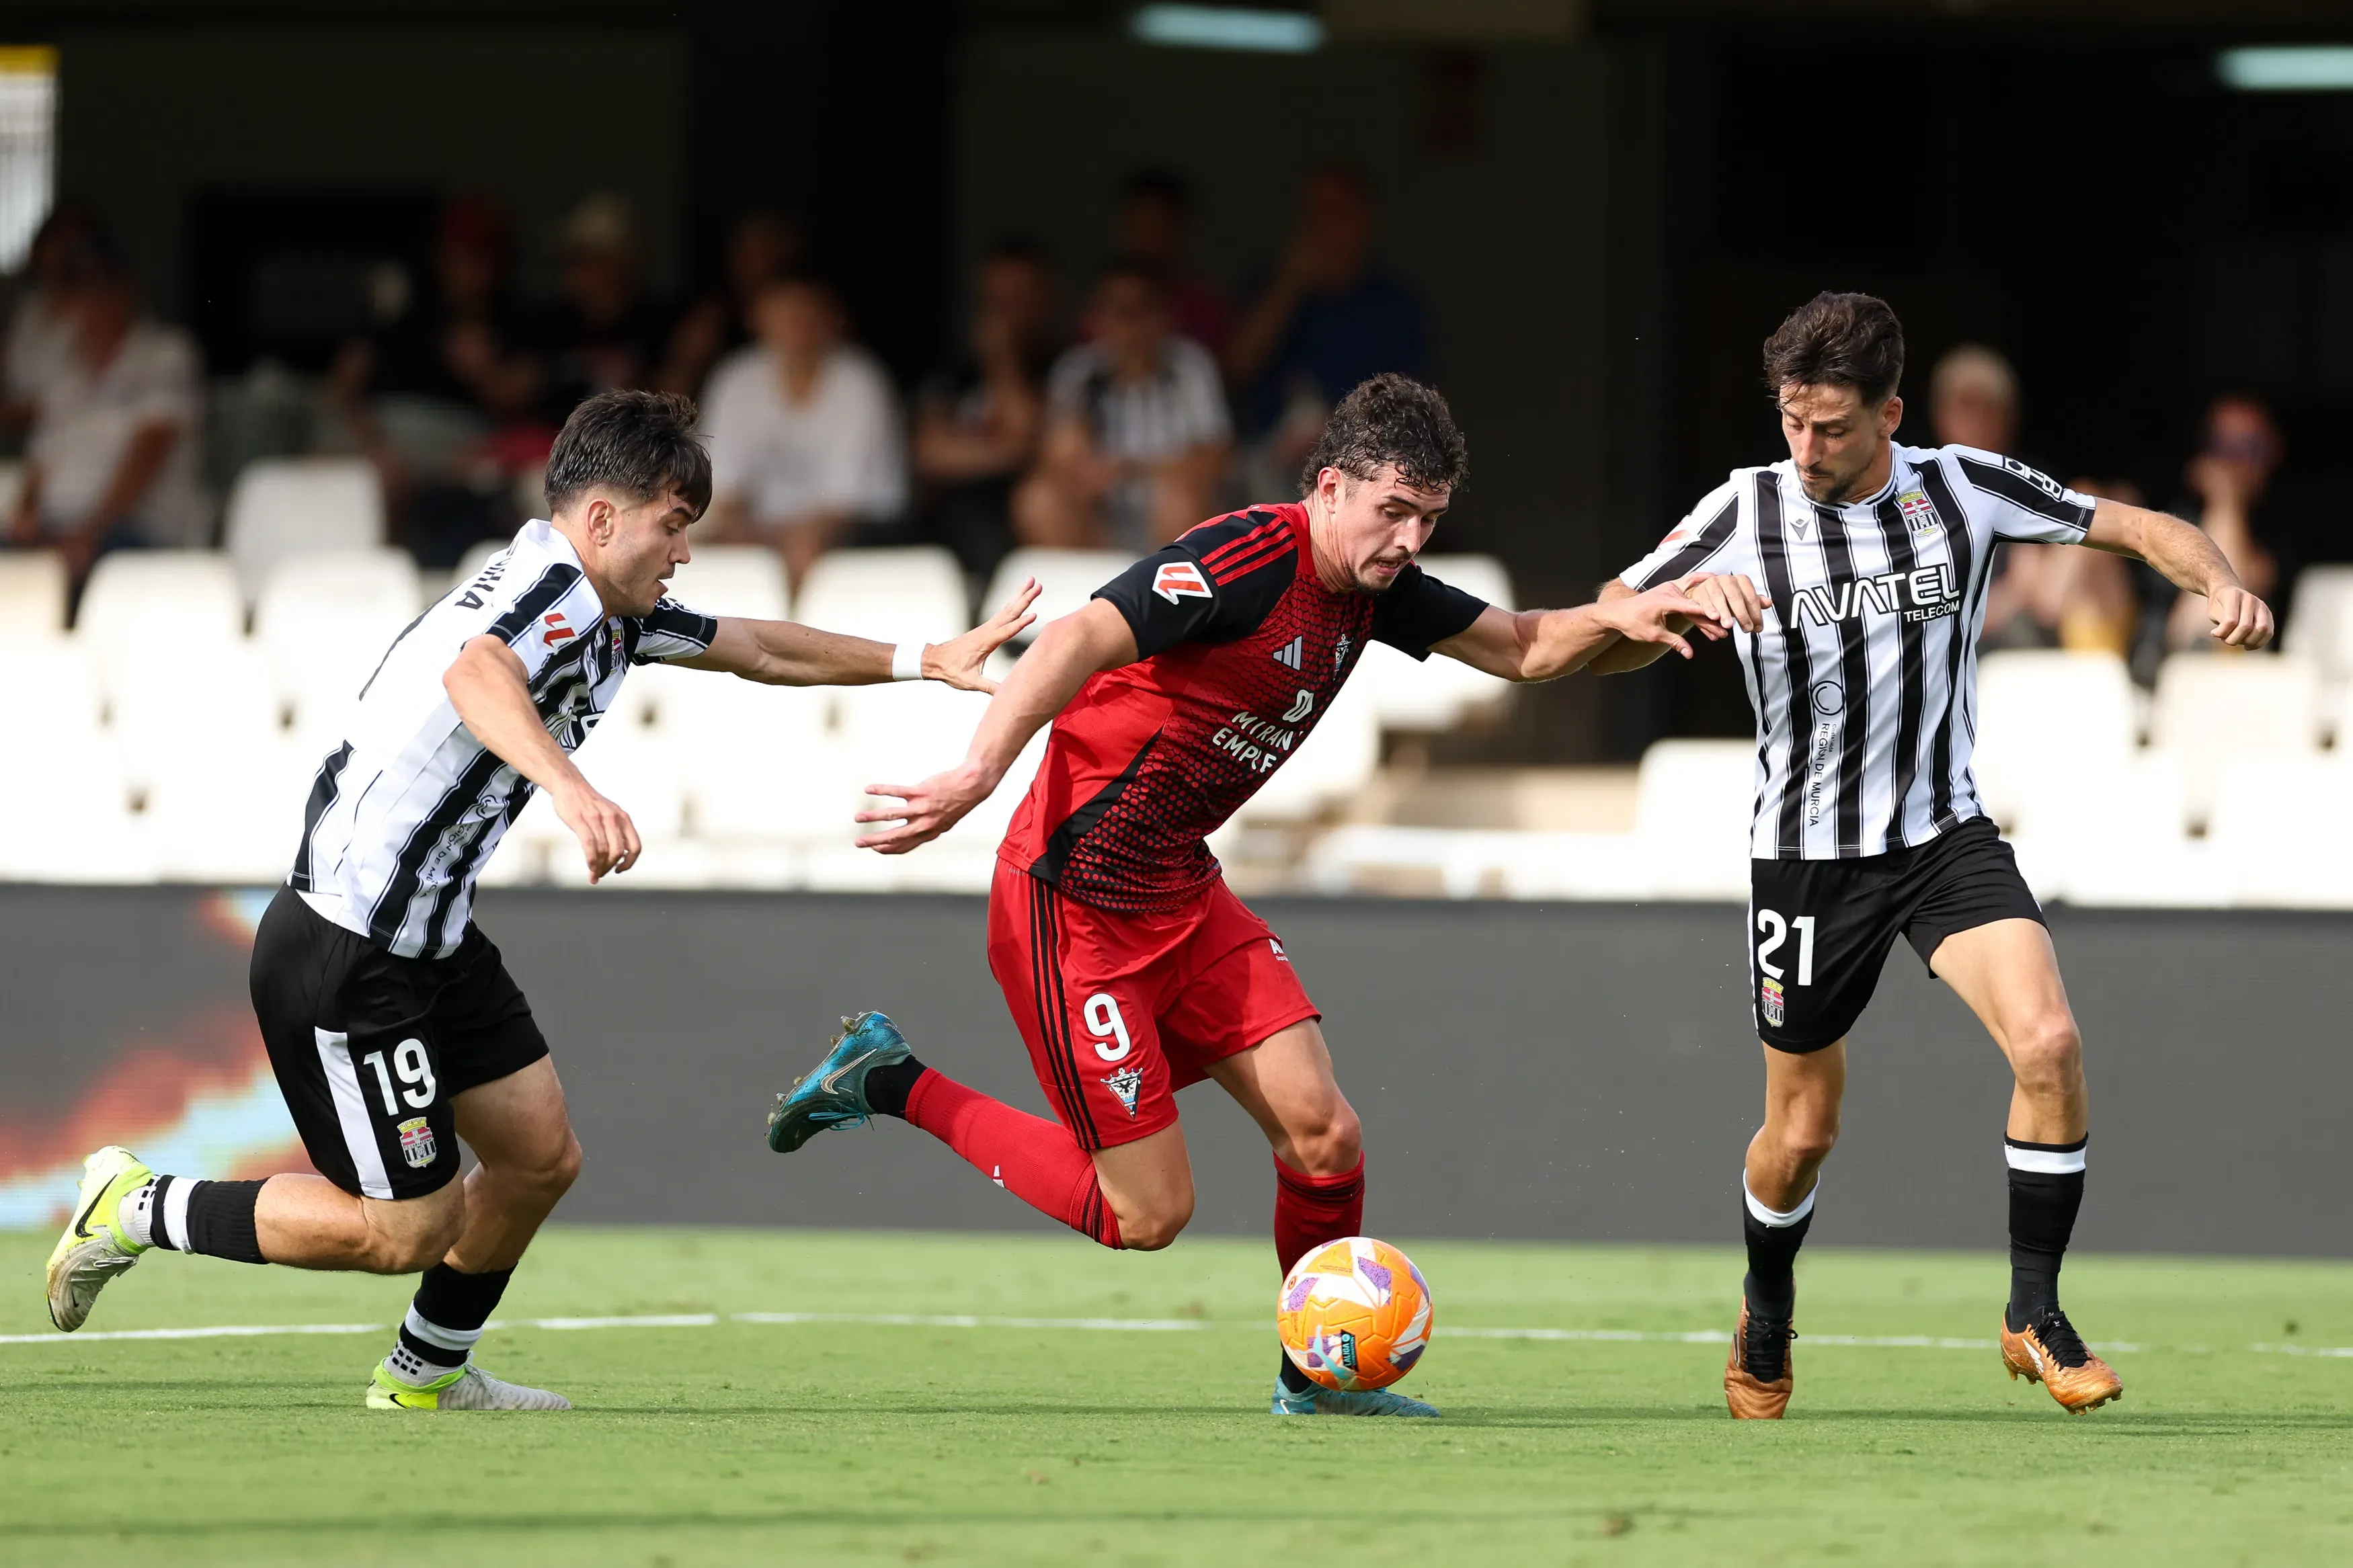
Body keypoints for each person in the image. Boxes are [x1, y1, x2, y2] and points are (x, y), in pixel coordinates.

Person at [44, 390, 1041, 1413]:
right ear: (603, 517)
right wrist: (570, 787)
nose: (684, 551)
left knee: (537, 1157)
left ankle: (427, 1375)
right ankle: (140, 1205)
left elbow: (756, 647)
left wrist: (921, 660)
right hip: (351, 946)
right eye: (674, 523)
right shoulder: (549, 590)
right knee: (403, 1229)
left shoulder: (614, 610)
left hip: (431, 937)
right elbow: (477, 672)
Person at [763, 374, 1717, 1418]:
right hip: (1071, 907)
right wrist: (982, 769)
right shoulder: (1248, 558)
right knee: (1148, 1214)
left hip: (1183, 893)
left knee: (1326, 1133)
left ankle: (1317, 1379)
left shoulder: (1378, 588)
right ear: (1329, 486)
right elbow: (1082, 636)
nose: (1406, 540)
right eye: (1391, 511)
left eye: (1428, 519)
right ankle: (890, 1078)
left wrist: (1631, 614)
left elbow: (1528, 647)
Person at [1594, 292, 2274, 1420]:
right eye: (1793, 424)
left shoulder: (1959, 483)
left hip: (1942, 836)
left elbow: (2143, 527)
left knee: (2050, 1041)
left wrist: (2220, 581)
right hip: (1807, 859)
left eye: (1835, 430)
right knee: (1802, 1132)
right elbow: (1614, 601)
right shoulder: (1747, 505)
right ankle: (1766, 1308)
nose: (1807, 451)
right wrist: (1672, 592)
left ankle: (2032, 1310)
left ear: (1891, 415)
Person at [329, 195, 549, 568]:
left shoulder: (516, 321)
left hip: (464, 443)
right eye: (460, 254)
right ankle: (364, 581)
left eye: (482, 255)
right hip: (381, 436)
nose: (470, 267)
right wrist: (373, 442)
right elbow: (342, 388)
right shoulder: (403, 308)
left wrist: (481, 371)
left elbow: (522, 402)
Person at [7, 235, 208, 578]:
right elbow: (41, 459)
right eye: (80, 290)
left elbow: (149, 452)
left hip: (137, 530)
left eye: (102, 289)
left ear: (126, 291)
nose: (92, 303)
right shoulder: (65, 368)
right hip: (59, 528)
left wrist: (91, 529)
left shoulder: (164, 354)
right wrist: (26, 513)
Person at [1225, 165, 1428, 485]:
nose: (1325, 227)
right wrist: (1289, 285)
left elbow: (1415, 404)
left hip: (1363, 455)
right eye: (1315, 215)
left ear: (1365, 219)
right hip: (1266, 453)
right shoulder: (1271, 285)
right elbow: (1238, 366)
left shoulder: (1392, 303)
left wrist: (1336, 428)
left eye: (1338, 214)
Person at [702, 273, 908, 585]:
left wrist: (772, 539)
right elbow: (726, 488)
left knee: (803, 548)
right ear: (758, 318)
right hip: (763, 528)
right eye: (785, 313)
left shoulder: (860, 381)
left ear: (833, 318)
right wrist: (741, 531)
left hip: (859, 527)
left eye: (808, 313)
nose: (797, 325)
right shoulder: (737, 378)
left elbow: (842, 505)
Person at [1932, 345, 2134, 656]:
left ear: (2009, 417)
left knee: (2093, 502)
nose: (1977, 420)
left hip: (2035, 639)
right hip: (1950, 648)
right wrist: (2015, 593)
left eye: (1989, 408)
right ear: (1941, 415)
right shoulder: (1917, 487)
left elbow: (2046, 597)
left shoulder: (2033, 482)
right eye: (1966, 406)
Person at [1014, 259, 1228, 552]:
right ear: (1096, 319)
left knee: (1177, 501)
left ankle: (1175, 594)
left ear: (1164, 317)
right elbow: (1057, 455)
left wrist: (1131, 469)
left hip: (1172, 515)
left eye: (1140, 312)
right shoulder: (1080, 370)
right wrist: (1080, 463)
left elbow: (1215, 456)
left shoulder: (1189, 364)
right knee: (1038, 500)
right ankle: (1082, 595)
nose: (1129, 327)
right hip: (1099, 517)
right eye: (1117, 313)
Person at [914, 239, 1060, 581]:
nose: (1005, 312)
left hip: (1028, 518)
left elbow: (1031, 439)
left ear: (1044, 299)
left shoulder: (1063, 366)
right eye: (995, 300)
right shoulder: (953, 373)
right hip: (955, 516)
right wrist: (1010, 450)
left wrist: (1001, 360)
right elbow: (930, 452)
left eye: (1018, 298)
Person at [532, 194, 672, 420]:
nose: (593, 277)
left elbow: (674, 410)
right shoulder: (546, 327)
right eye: (579, 262)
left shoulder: (660, 326)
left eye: (604, 261)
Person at [658, 206, 803, 399]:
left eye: (767, 251)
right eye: (750, 252)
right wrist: (685, 361)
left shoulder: (807, 314)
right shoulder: (712, 315)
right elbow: (669, 395)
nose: (759, 264)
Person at [1111, 169, 1229, 355]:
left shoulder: (1205, 308)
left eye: (1158, 229)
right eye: (1140, 229)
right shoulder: (1101, 307)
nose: (1148, 241)